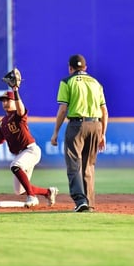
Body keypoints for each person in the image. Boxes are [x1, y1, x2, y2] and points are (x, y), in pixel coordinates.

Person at [0, 75, 59, 208]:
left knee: (15, 166)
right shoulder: (2, 122)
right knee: (19, 190)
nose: (5, 102)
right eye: (3, 100)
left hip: (31, 150)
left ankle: (32, 197)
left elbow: (21, 108)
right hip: (21, 153)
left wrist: (15, 90)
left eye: (7, 100)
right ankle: (48, 192)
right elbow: (0, 139)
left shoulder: (18, 115)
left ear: (14, 101)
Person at [51, 54, 108, 212]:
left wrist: (55, 132)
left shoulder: (67, 81)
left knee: (74, 164)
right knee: (89, 165)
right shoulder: (96, 83)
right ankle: (89, 202)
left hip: (77, 125)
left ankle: (80, 201)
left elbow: (63, 109)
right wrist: (103, 133)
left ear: (70, 68)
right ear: (85, 67)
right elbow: (104, 111)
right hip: (95, 124)